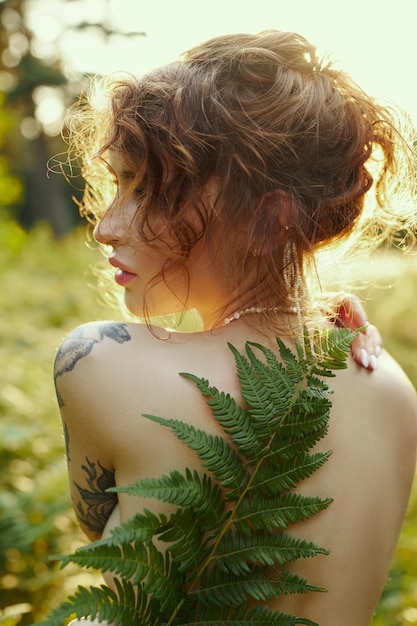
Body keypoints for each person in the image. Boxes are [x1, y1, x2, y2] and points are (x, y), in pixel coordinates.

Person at [54, 30, 417, 625]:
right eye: (119, 183)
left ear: (267, 219)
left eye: (149, 190)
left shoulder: (100, 363)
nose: (107, 227)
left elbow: (114, 565)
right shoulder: (390, 386)